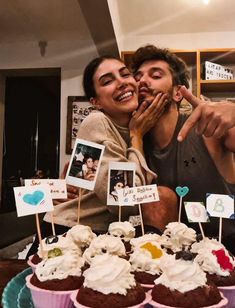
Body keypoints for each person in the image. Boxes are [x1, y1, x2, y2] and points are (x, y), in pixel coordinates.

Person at [26, 55, 178, 257]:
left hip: (103, 235)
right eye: (107, 81)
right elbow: (123, 200)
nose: (122, 82)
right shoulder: (96, 121)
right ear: (95, 101)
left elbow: (81, 178)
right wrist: (137, 136)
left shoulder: (139, 125)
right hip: (69, 233)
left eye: (125, 74)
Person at [130, 44, 235, 253]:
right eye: (138, 76)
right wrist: (136, 136)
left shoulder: (206, 129)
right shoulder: (135, 141)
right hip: (166, 259)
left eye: (155, 75)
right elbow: (130, 198)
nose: (142, 81)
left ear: (178, 93)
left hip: (226, 251)